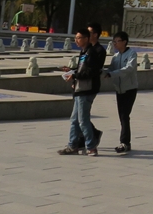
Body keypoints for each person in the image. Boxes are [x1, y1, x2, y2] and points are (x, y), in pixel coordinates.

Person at [58, 28, 105, 156]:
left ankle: (91, 146)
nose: (76, 40)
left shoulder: (92, 53)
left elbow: (91, 72)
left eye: (78, 38)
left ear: (86, 39)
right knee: (74, 119)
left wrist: (75, 75)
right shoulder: (84, 52)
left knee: (83, 120)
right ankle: (72, 145)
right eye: (75, 38)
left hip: (86, 90)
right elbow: (82, 69)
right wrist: (72, 71)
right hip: (80, 89)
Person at [103, 31, 138, 154]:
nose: (115, 44)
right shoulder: (116, 56)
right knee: (122, 116)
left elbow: (128, 69)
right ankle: (125, 142)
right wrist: (103, 72)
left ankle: (125, 142)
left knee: (124, 115)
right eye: (114, 41)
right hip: (119, 90)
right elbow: (111, 69)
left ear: (124, 42)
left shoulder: (132, 54)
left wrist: (111, 74)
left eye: (117, 41)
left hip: (130, 89)